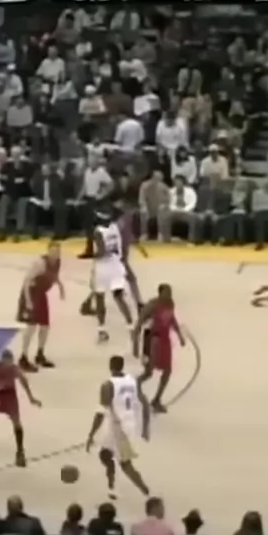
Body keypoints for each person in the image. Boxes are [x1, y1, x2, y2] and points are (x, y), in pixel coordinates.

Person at [86, 355, 151, 499]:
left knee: (126, 464)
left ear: (110, 366)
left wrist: (91, 434)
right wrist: (146, 427)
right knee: (105, 454)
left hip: (120, 428)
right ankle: (112, 486)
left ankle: (146, 492)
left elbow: (100, 413)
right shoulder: (132, 381)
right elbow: (145, 403)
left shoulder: (107, 385)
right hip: (124, 424)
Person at [133, 283, 185, 415]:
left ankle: (156, 399)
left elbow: (172, 319)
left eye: (170, 292)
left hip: (165, 340)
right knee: (148, 372)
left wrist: (179, 335)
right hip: (153, 340)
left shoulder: (170, 303)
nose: (169, 294)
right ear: (160, 293)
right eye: (167, 292)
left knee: (167, 371)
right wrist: (135, 345)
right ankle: (131, 386)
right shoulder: (152, 305)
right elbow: (139, 323)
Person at [88, 210, 137, 344]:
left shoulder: (98, 232)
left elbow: (101, 252)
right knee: (119, 298)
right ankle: (131, 327)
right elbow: (120, 249)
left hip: (103, 268)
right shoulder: (115, 228)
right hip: (116, 265)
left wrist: (90, 255)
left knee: (100, 298)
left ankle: (102, 330)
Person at [17, 241, 65, 371]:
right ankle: (23, 357)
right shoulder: (40, 263)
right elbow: (26, 281)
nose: (56, 254)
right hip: (31, 294)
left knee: (45, 326)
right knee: (31, 327)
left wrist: (61, 287)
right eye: (53, 251)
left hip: (41, 294)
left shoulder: (57, 262)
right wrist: (28, 301)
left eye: (58, 251)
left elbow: (54, 276)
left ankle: (40, 354)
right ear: (48, 251)